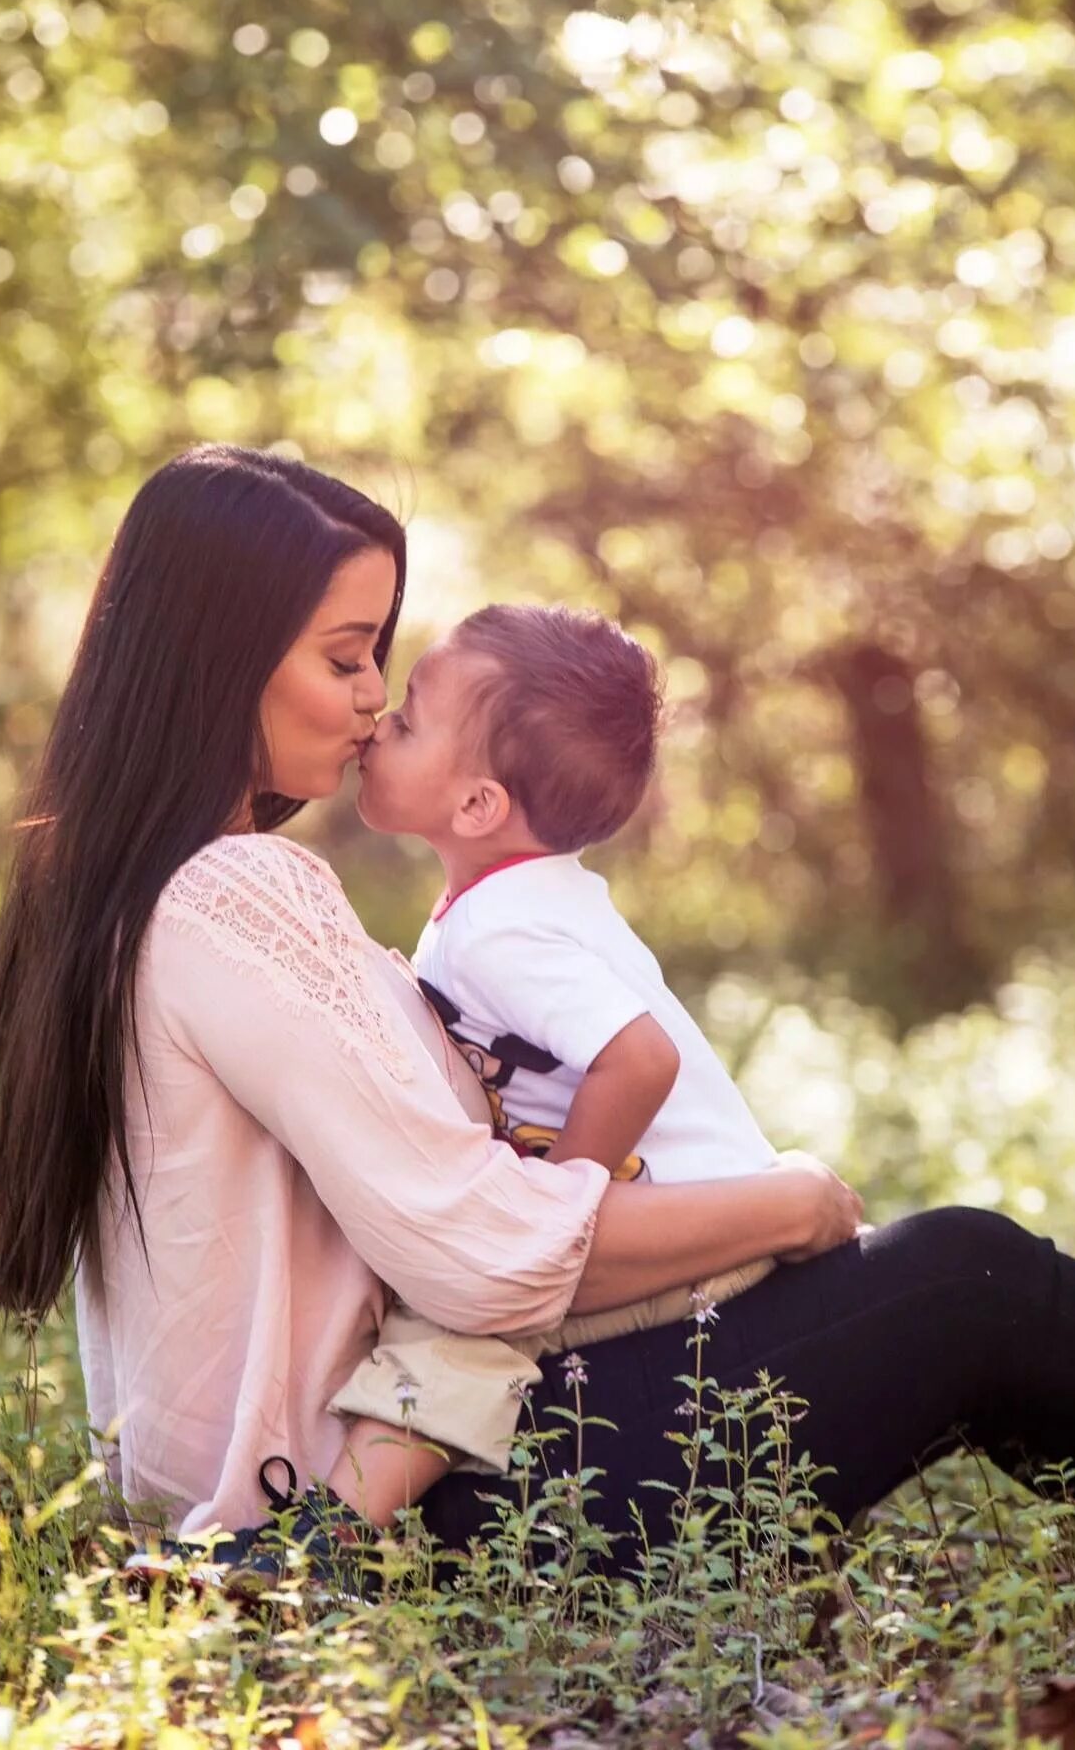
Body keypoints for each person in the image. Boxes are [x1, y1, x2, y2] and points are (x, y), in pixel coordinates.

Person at [0, 444, 1075, 1592]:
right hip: (376, 1522)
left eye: (379, 656)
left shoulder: (114, 897)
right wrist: (791, 1205)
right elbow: (483, 1254)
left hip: (383, 1477)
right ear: (216, 659)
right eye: (343, 657)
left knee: (942, 1286)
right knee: (962, 1277)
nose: (372, 696)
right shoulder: (235, 893)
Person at [322, 603, 783, 1524]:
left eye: (407, 722)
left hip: (696, 1223)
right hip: (683, 1205)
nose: (377, 724)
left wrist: (557, 1202)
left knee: (463, 1317)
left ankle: (328, 1540)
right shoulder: (511, 902)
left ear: (478, 804)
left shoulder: (505, 929)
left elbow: (640, 1059)